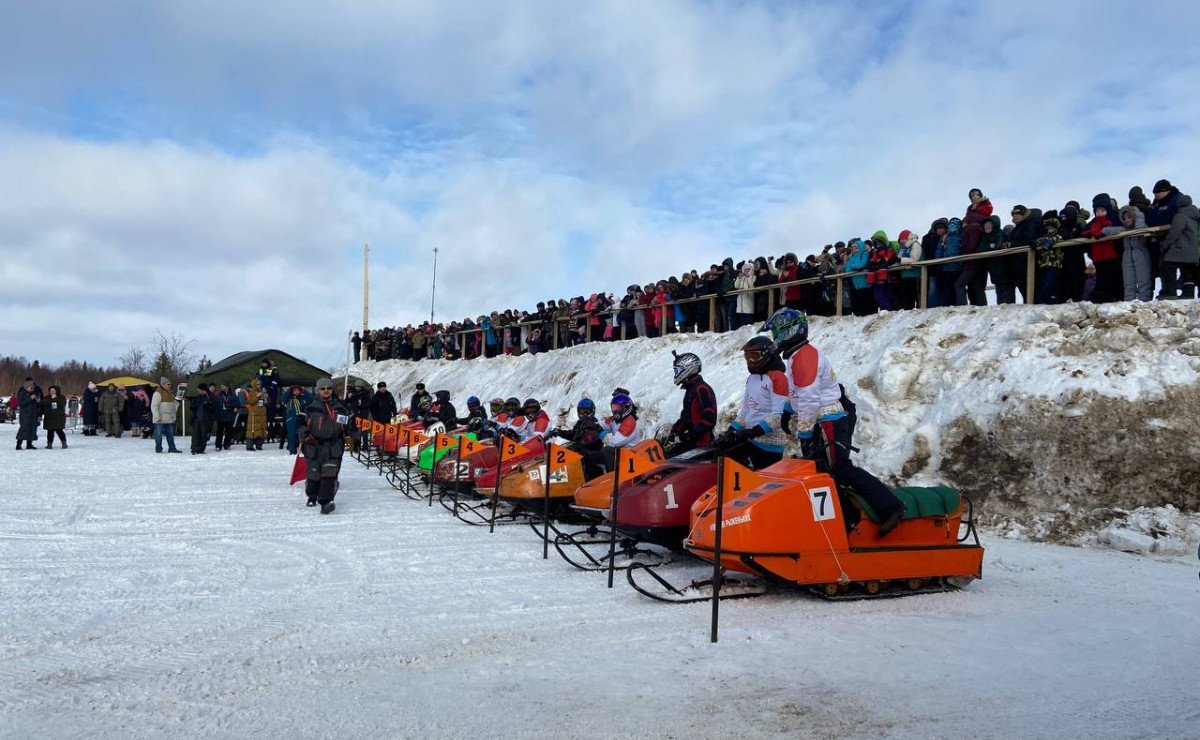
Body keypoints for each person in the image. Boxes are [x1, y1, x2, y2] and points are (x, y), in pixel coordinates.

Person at [761, 308, 905, 536]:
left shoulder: (804, 357)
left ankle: (889, 508)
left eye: (775, 333)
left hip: (829, 420)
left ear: (787, 332)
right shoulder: (798, 356)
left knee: (839, 469)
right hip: (822, 420)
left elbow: (809, 400)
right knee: (822, 472)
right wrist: (788, 409)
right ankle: (842, 518)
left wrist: (805, 435)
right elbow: (797, 391)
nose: (773, 339)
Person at [711, 336, 788, 470]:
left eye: (754, 356)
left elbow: (777, 417)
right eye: (747, 357)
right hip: (751, 439)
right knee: (718, 454)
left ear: (767, 355)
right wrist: (731, 431)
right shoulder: (751, 378)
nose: (750, 361)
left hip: (770, 445)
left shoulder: (777, 378)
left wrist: (752, 432)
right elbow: (746, 410)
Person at [298, 378, 350, 514]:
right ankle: (312, 496)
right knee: (314, 473)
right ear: (317, 390)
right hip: (313, 445)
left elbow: (349, 425)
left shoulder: (340, 407)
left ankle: (325, 502)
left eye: (329, 388)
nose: (326, 391)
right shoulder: (309, 406)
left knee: (329, 474)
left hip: (333, 446)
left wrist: (353, 437)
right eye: (323, 388)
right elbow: (299, 424)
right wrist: (304, 434)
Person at [667, 351, 717, 456]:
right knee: (667, 455)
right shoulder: (691, 389)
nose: (676, 374)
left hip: (703, 444)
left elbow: (709, 417)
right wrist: (674, 432)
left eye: (677, 370)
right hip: (693, 441)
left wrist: (693, 433)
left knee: (671, 461)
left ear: (688, 368)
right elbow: (686, 417)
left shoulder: (701, 389)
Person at [549, 398, 605, 478]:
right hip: (582, 455)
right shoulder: (580, 423)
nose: (585, 414)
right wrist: (559, 432)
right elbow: (573, 434)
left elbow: (589, 441)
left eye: (587, 412)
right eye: (582, 412)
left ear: (592, 411)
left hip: (592, 457)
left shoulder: (594, 424)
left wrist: (577, 443)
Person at [1159, 192, 1199, 300]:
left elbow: (1174, 234)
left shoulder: (1180, 216)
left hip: (1180, 250)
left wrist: (1165, 246)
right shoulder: (1195, 215)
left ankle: (1169, 292)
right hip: (1192, 251)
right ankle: (1188, 294)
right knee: (1188, 272)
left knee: (1166, 267)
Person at [151, 378, 181, 453]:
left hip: (169, 418)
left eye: (170, 384)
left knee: (170, 434)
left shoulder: (170, 393)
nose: (170, 386)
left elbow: (173, 406)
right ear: (163, 384)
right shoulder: (157, 393)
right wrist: (157, 416)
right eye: (168, 384)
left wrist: (174, 415)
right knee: (158, 435)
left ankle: (172, 448)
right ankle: (158, 449)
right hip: (160, 418)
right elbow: (154, 406)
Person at [280, 385, 311, 454]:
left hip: (302, 418)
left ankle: (303, 449)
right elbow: (282, 399)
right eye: (295, 390)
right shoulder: (289, 399)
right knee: (291, 435)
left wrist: (304, 390)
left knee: (303, 434)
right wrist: (289, 390)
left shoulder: (303, 398)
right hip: (291, 419)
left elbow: (311, 398)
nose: (296, 392)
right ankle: (292, 451)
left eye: (298, 390)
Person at [15, 377, 43, 450]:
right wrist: (30, 398)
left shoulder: (35, 392)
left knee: (33, 428)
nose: (32, 388)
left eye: (33, 387)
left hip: (34, 414)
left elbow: (39, 403)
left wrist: (38, 401)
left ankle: (29, 444)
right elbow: (20, 403)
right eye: (31, 387)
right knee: (24, 428)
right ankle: (18, 444)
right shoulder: (22, 392)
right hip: (25, 414)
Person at [188, 383, 216, 454]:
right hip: (197, 419)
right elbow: (192, 408)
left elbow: (214, 409)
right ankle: (194, 449)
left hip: (206, 420)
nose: (197, 391)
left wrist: (208, 405)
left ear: (203, 390)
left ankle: (201, 449)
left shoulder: (210, 397)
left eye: (199, 389)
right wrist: (192, 403)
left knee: (203, 435)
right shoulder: (197, 397)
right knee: (195, 435)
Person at [244, 378, 268, 451]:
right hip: (254, 414)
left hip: (262, 414)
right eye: (258, 384)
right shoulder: (251, 392)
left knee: (261, 429)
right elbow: (250, 402)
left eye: (260, 384)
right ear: (254, 385)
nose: (259, 385)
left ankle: (259, 445)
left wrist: (266, 398)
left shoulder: (262, 392)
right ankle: (249, 446)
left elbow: (267, 403)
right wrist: (257, 396)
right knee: (252, 430)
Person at [215, 383, 239, 450]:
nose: (222, 387)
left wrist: (236, 408)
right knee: (219, 432)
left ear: (227, 387)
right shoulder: (218, 396)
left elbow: (238, 404)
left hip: (229, 416)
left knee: (229, 431)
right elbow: (215, 406)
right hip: (221, 416)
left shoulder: (233, 396)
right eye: (221, 386)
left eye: (223, 386)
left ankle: (227, 445)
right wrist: (217, 414)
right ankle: (218, 445)